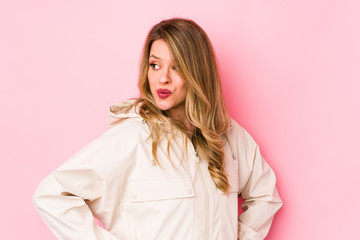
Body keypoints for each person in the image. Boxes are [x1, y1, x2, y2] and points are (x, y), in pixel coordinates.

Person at [33, 18, 283, 240]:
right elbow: (52, 195)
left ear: (198, 73)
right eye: (155, 65)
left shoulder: (229, 136)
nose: (163, 78)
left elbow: (265, 196)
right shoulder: (133, 138)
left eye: (177, 67)